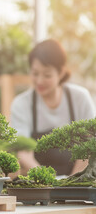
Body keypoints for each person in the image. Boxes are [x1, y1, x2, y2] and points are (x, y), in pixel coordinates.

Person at [10, 39, 96, 176]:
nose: (39, 81)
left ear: (61, 73)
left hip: (79, 180)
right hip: (39, 183)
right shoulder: (21, 104)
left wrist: (71, 185)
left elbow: (89, 148)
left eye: (47, 75)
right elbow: (24, 152)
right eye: (35, 73)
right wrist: (48, 182)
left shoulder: (80, 98)